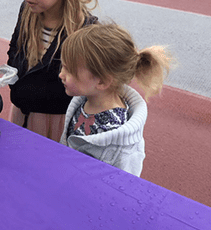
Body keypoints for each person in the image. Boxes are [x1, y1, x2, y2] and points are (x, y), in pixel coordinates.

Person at [7, 0, 98, 141]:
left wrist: (28, 91)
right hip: (22, 113)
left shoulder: (85, 32)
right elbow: (14, 51)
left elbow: (85, 88)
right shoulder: (26, 11)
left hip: (57, 123)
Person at [58, 23, 173, 176]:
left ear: (102, 82)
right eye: (63, 66)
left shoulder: (119, 142)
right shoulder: (85, 101)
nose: (61, 74)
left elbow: (122, 186)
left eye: (69, 70)